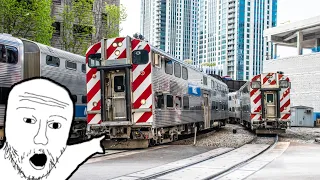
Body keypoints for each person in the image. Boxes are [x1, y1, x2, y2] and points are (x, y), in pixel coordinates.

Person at [0, 77, 105, 180]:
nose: (41, 139)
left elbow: (72, 159)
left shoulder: (55, 168)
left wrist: (93, 145)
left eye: (55, 125)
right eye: (29, 121)